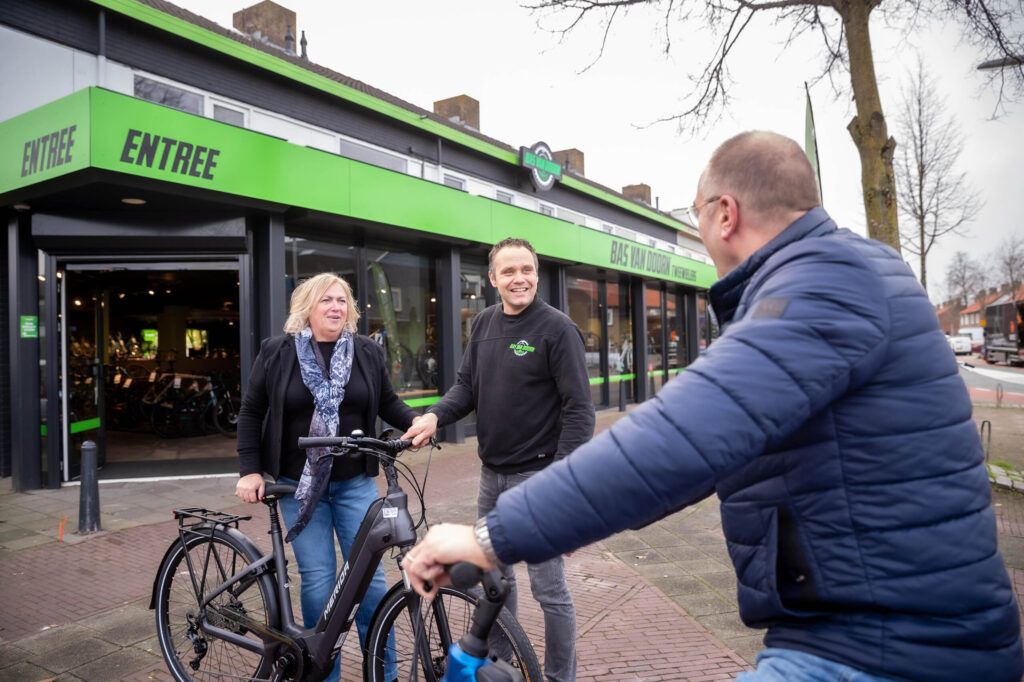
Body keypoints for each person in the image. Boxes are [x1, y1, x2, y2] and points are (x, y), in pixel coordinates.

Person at [403, 132, 1024, 682]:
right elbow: (707, 457)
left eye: (697, 217)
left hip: (884, 649)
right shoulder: (840, 274)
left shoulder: (826, 285)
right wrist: (563, 517)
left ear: (724, 214)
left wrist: (493, 536)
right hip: (853, 630)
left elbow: (683, 435)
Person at [401, 237, 595, 682]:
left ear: (537, 274)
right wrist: (434, 415)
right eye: (508, 271)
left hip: (540, 477)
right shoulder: (484, 323)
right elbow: (467, 387)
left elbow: (580, 411)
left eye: (525, 269)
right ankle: (502, 668)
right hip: (493, 477)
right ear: (492, 279)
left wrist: (564, 482)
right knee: (495, 584)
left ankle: (558, 677)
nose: (518, 278)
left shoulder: (557, 328)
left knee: (550, 590)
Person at [235, 272, 416, 682]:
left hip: (355, 483)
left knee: (370, 584)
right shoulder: (277, 352)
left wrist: (416, 421)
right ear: (307, 307)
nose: (335, 307)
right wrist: (249, 470)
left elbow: (388, 402)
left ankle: (382, 674)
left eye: (341, 300)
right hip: (299, 486)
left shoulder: (366, 351)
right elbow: (251, 413)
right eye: (325, 300)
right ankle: (321, 674)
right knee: (320, 582)